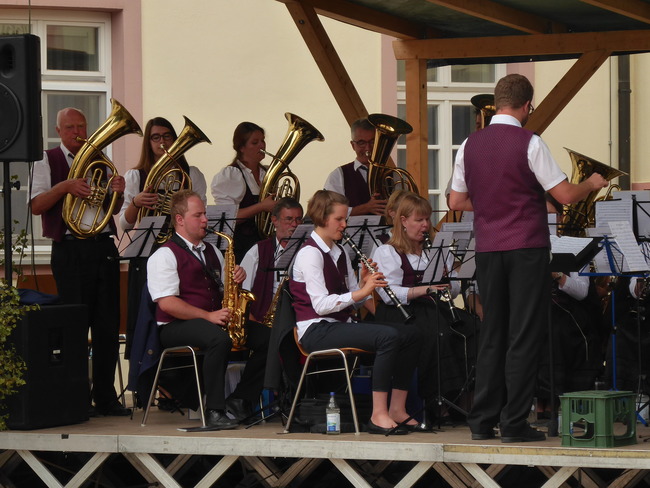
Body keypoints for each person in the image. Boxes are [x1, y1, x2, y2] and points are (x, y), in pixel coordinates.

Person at [449, 73, 608, 443]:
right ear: (527, 106)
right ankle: (515, 423)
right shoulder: (530, 142)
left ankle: (481, 421)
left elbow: (455, 202)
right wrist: (592, 183)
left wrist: (491, 204)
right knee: (524, 335)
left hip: (488, 250)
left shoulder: (469, 144)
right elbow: (566, 195)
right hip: (526, 249)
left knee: (493, 334)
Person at [290, 189, 423, 434]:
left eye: (345, 219)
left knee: (411, 334)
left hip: (338, 325)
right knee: (387, 337)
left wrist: (363, 285)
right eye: (340, 219)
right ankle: (378, 414)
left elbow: (354, 303)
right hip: (315, 330)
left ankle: (396, 409)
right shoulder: (310, 254)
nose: (345, 224)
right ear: (322, 218)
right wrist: (363, 292)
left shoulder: (339, 252)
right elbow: (321, 305)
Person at [29, 107, 130, 417]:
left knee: (108, 325)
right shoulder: (48, 159)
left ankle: (105, 396)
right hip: (71, 250)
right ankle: (75, 396)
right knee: (76, 324)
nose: (77, 132)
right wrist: (65, 186)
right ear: (59, 131)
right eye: (70, 127)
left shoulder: (100, 159)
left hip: (103, 247)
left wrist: (118, 192)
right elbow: (35, 205)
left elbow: (112, 211)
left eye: (81, 126)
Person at [147, 190, 270, 428]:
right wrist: (208, 316)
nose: (206, 220)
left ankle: (241, 399)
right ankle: (214, 410)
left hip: (212, 321)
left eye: (205, 214)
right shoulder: (164, 255)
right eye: (199, 215)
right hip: (174, 326)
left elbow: (224, 291)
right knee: (220, 339)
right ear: (180, 219)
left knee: (270, 338)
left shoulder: (213, 251)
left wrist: (237, 282)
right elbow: (167, 303)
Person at [371, 193, 474, 423]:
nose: (426, 225)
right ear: (404, 221)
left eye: (427, 219)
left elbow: (454, 291)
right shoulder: (387, 252)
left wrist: (450, 281)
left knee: (473, 328)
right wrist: (424, 290)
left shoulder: (435, 250)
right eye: (419, 220)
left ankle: (467, 396)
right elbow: (388, 294)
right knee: (439, 334)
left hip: (434, 308)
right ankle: (437, 400)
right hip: (402, 312)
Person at [118, 117, 208, 357]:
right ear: (148, 142)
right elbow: (124, 223)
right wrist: (136, 202)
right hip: (148, 252)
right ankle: (147, 378)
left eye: (167, 136)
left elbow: (200, 212)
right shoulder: (136, 175)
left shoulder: (191, 174)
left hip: (183, 252)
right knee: (145, 317)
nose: (162, 142)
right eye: (156, 137)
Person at [240, 197, 304, 392]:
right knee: (276, 342)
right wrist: (254, 322)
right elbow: (242, 293)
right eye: (288, 219)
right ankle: (289, 397)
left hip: (297, 318)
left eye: (298, 220)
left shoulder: (307, 250)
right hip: (264, 320)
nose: (294, 225)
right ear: (274, 221)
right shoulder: (257, 251)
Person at [211, 122, 276, 262]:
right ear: (241, 148)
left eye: (262, 140)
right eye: (255, 142)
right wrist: (262, 207)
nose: (262, 145)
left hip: (265, 245)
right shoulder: (231, 174)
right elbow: (228, 218)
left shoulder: (267, 173)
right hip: (240, 248)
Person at [323, 118, 386, 216]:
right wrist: (366, 207)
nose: (368, 148)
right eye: (361, 143)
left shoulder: (392, 174)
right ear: (353, 145)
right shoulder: (338, 174)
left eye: (373, 142)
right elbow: (330, 210)